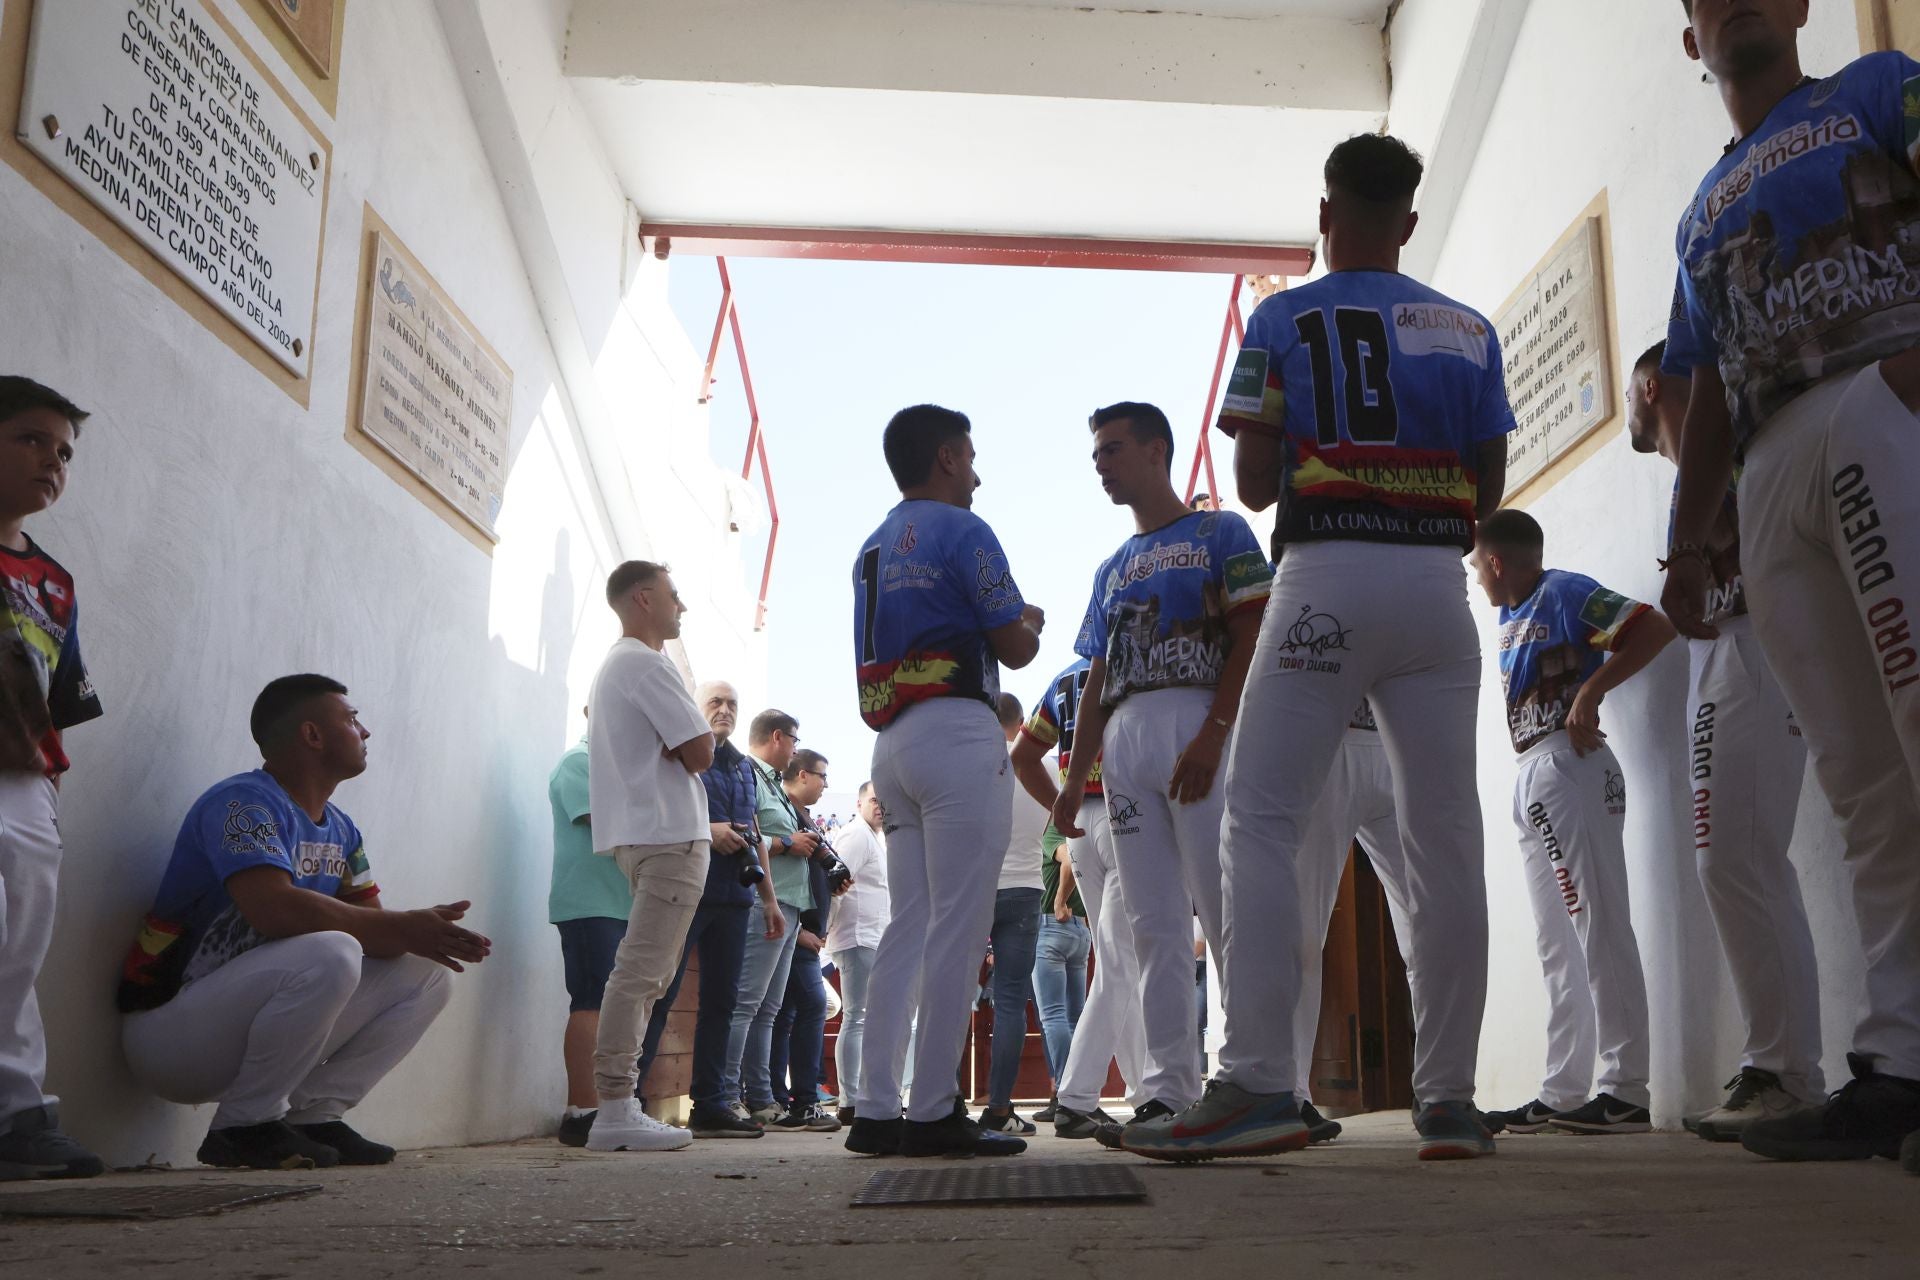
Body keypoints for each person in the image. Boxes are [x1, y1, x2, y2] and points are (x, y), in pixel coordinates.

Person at [1128, 133, 1515, 1163]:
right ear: (1411, 222)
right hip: (1437, 589)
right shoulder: (1468, 329)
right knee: (1446, 836)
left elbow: (1254, 483)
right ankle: (1453, 1097)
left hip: (1327, 577)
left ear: (1327, 213)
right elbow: (1491, 489)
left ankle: (1256, 1077)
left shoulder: (1283, 317)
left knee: (1257, 816)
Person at [1663, 0, 1920, 1165]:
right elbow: (1700, 382)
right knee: (1862, 777)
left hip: (1884, 402)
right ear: (1691, 41)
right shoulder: (1696, 213)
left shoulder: (1871, 89)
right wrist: (1684, 540)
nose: (1738, 3)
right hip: (1769, 472)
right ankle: (1901, 1059)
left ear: (1804, 7)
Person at [118, 675, 489, 1169]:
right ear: (312, 735)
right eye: (352, 719)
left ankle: (314, 1114)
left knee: (425, 975)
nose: (366, 731)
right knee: (332, 949)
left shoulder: (343, 829)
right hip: (171, 1035)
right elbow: (273, 909)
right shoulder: (243, 804)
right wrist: (402, 925)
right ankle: (244, 1127)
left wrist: (413, 931)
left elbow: (376, 937)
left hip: (240, 1027)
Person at [1050, 401, 1274, 1149]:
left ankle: (1259, 1078)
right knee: (1151, 927)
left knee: (1221, 906)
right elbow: (1095, 676)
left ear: (1156, 450)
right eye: (1094, 455)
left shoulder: (1222, 531)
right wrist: (1070, 783)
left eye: (1112, 450)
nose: (1100, 466)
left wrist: (1216, 730)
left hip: (1196, 717)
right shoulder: (1110, 567)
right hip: (1124, 739)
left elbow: (1251, 631)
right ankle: (1165, 1091)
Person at [1627, 339, 1825, 1138]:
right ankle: (1780, 1065)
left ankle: (1785, 1071)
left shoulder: (1737, 443)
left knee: (1737, 857)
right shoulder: (1699, 479)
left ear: (1648, 388)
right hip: (1730, 657)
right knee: (1735, 861)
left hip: (1755, 649)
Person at [844, 403, 1044, 1158]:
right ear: (951, 456)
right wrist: (1028, 617)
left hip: (890, 742)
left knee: (910, 925)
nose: (979, 471)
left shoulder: (870, 545)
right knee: (960, 926)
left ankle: (873, 1110)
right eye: (972, 455)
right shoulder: (966, 529)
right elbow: (1017, 650)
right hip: (960, 730)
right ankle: (932, 1111)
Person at [1471, 509, 1675, 1135]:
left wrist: (1591, 692)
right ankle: (1563, 1090)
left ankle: (1624, 1090)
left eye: (1477, 565)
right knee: (1555, 940)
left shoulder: (1563, 590)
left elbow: (1653, 629)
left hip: (1572, 766)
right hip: (1532, 771)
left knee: (1599, 924)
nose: (1476, 576)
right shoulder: (1510, 616)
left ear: (1498, 561)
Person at [0, 377, 104, 1182]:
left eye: (64, 453)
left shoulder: (55, 582)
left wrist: (49, 790)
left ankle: (18, 1117)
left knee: (19, 947)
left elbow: (58, 698)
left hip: (24, 782)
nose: (52, 463)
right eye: (32, 440)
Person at [582, 561, 715, 1153]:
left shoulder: (618, 665)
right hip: (668, 837)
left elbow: (686, 748)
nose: (681, 606)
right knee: (640, 973)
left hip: (644, 837)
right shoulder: (644, 662)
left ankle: (617, 1105)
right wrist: (684, 741)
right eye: (673, 594)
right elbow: (703, 751)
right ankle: (614, 1107)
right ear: (643, 599)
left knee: (645, 973)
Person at [631, 680, 779, 1140]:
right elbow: (653, 806)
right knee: (661, 992)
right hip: (685, 890)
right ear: (696, 708)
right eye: (715, 702)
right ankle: (629, 1099)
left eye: (732, 703)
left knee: (722, 1002)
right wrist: (708, 829)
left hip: (735, 897)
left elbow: (754, 830)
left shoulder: (742, 768)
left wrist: (769, 898)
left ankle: (712, 1104)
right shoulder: (675, 751)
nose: (724, 710)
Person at [1015, 656, 1150, 1140]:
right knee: (1120, 964)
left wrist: (1060, 803)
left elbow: (1023, 756)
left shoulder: (1065, 678)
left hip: (1081, 826)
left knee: (1120, 963)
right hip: (1126, 812)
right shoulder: (1140, 661)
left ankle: (1144, 1090)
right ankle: (1076, 1097)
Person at [1288, 699, 1416, 1146]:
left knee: (1426, 925)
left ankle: (1443, 1089)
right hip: (1326, 744)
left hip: (1398, 741)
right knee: (1303, 929)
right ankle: (1290, 1094)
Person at [722, 711, 816, 1126]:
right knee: (746, 1002)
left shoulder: (774, 785)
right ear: (777, 737)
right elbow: (745, 833)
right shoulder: (749, 775)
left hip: (789, 903)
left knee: (768, 1007)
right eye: (794, 740)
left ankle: (760, 1099)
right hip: (767, 901)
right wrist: (785, 841)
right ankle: (727, 1095)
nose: (796, 748)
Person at [546, 711, 634, 1146]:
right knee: (592, 1001)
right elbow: (608, 827)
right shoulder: (578, 763)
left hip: (620, 905)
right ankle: (581, 1111)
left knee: (614, 1005)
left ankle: (613, 1108)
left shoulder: (618, 769)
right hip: (589, 904)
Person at [979, 692, 1049, 1135]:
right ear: (1023, 723)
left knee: (953, 995)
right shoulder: (1044, 766)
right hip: (1025, 887)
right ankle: (1000, 1109)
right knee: (1010, 1004)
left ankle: (943, 1102)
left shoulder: (973, 762)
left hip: (977, 885)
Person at [762, 748, 840, 1131]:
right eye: (823, 776)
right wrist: (800, 931)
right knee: (810, 1005)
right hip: (794, 929)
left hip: (802, 930)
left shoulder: (801, 816)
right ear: (804, 775)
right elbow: (776, 872)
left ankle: (779, 1095)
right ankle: (804, 1099)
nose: (826, 784)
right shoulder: (785, 815)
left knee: (784, 1013)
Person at [826, 782, 888, 1125]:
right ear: (859, 802)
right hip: (857, 936)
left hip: (870, 936)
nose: (880, 806)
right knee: (857, 1017)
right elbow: (833, 885)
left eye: (884, 801)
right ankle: (849, 1100)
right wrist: (822, 930)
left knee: (863, 1018)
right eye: (874, 800)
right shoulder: (855, 836)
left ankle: (856, 1097)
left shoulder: (872, 838)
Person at [1030, 821, 1088, 1123]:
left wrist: (1059, 899)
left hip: (1053, 926)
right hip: (1080, 930)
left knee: (1053, 1015)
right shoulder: (1085, 828)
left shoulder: (1054, 829)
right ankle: (1079, 1089)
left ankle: (1065, 1093)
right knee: (1076, 1017)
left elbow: (1069, 857)